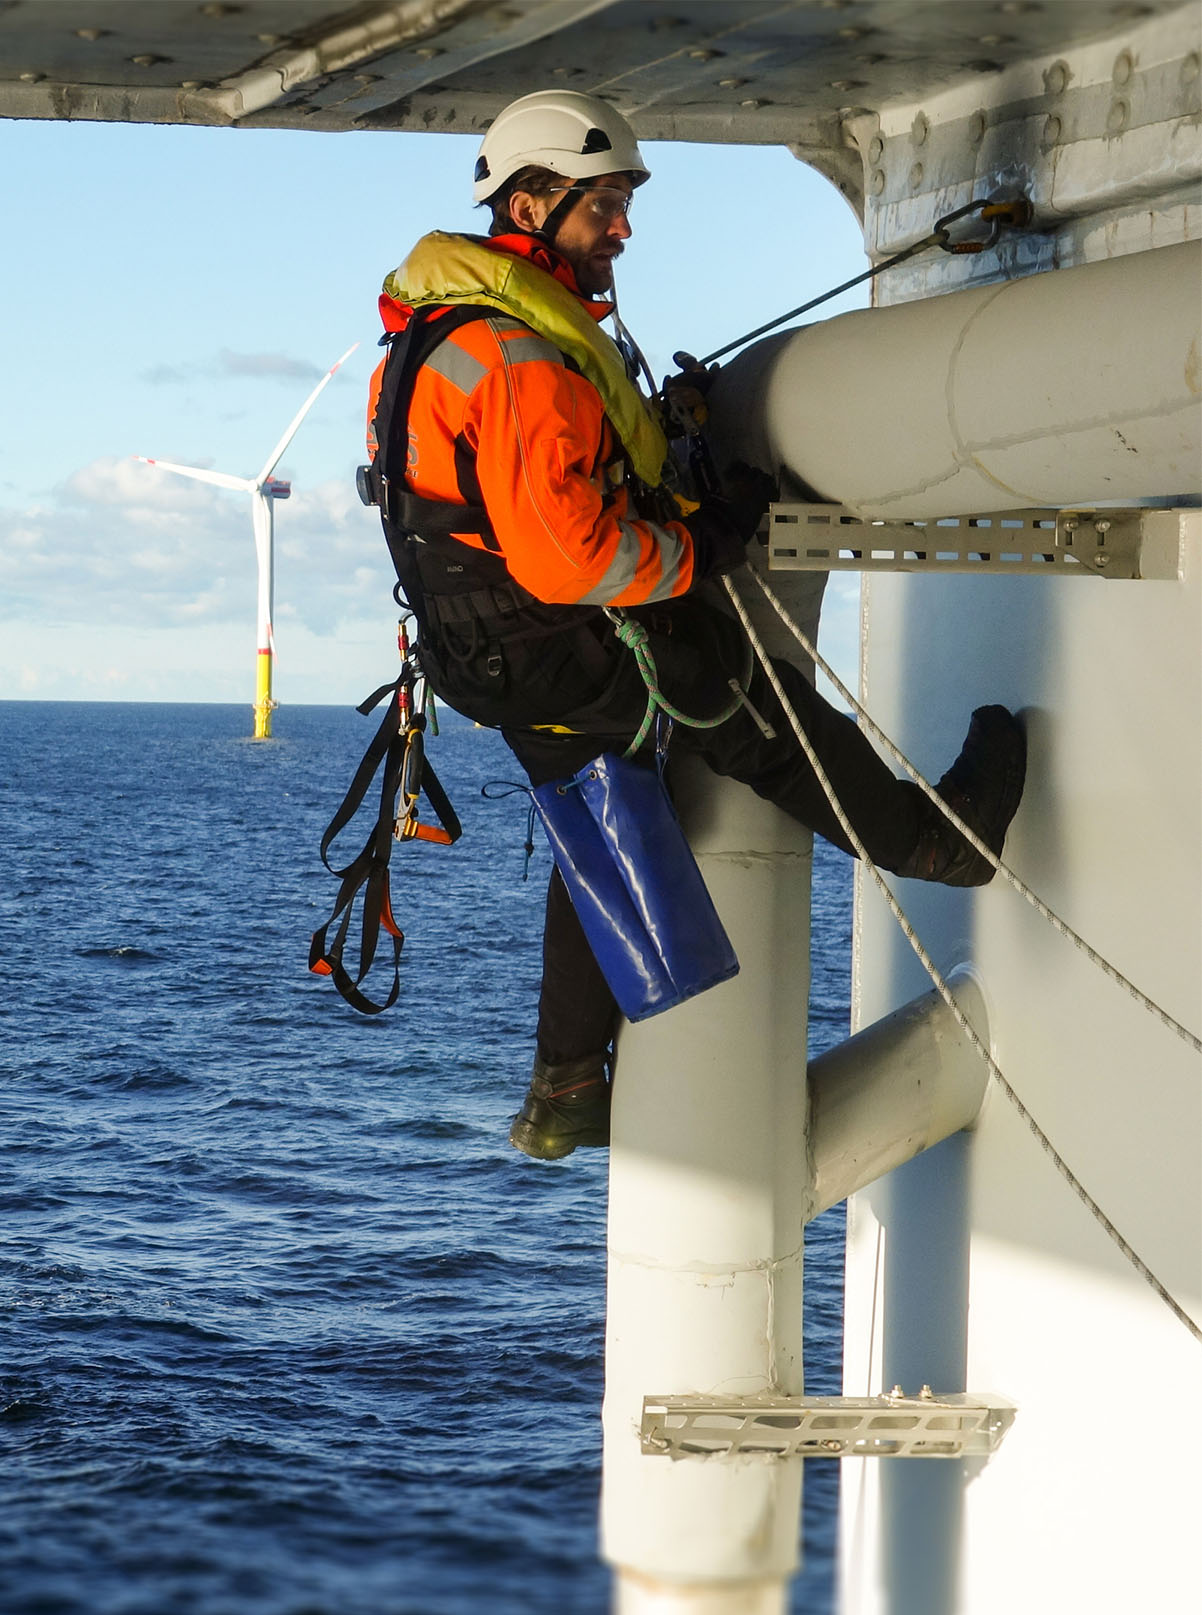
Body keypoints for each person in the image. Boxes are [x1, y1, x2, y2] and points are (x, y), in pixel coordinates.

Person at [361, 89, 1027, 1160]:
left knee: (603, 819)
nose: (623, 228)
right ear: (529, 206)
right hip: (558, 642)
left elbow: (511, 499)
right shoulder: (521, 357)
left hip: (481, 650)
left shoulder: (436, 336)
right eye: (603, 206)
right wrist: (705, 542)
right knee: (758, 713)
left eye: (624, 204)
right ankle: (940, 843)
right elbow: (575, 557)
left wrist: (663, 456)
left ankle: (568, 1084)